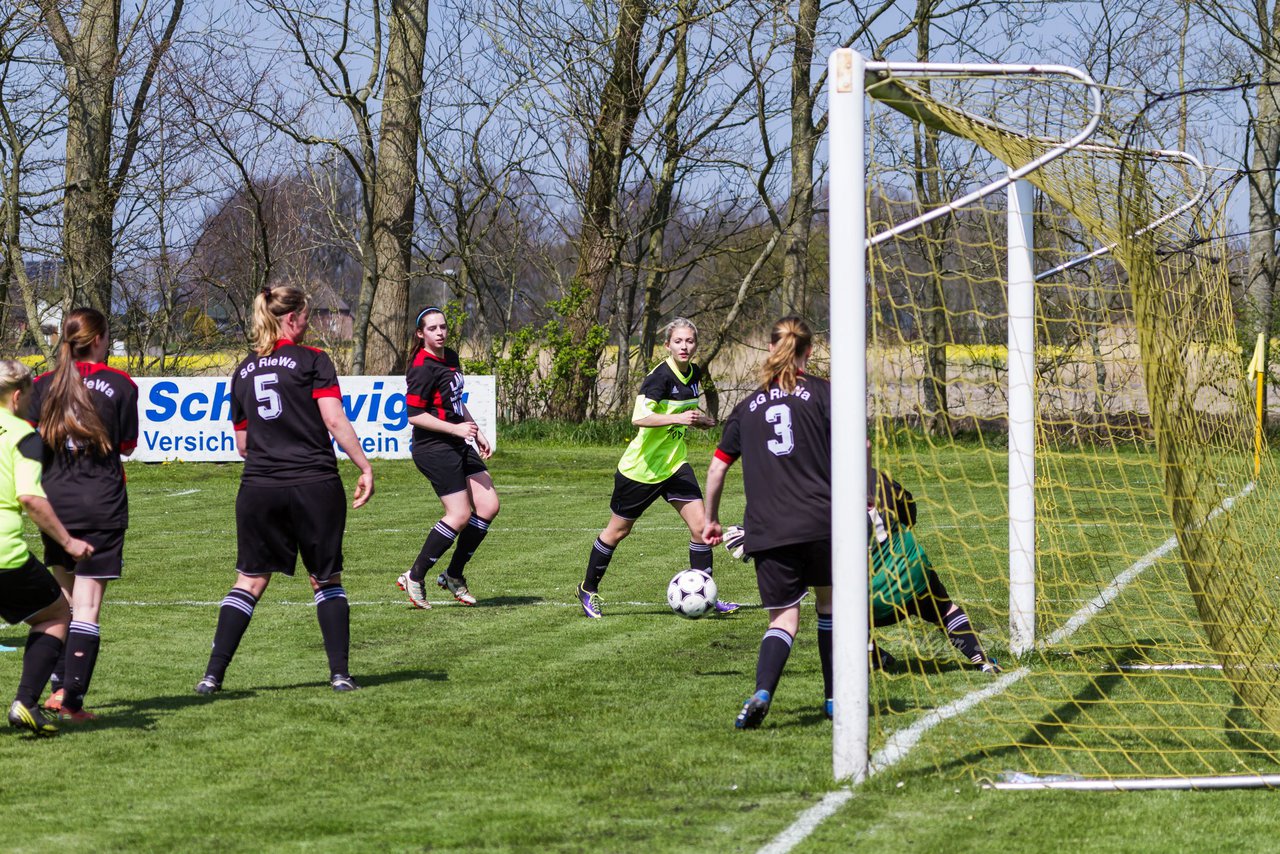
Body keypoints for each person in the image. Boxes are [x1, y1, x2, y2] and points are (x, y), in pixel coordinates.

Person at [706, 316, 998, 729]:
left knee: (783, 620)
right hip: (820, 523)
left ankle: (763, 690)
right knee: (829, 610)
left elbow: (717, 469)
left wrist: (712, 520)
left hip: (766, 529)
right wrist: (865, 491)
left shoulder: (745, 407)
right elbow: (859, 443)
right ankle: (832, 698)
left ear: (771, 349)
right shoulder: (824, 393)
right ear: (809, 351)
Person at [194, 285, 374, 695]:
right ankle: (340, 675)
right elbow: (334, 421)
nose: (309, 323)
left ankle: (212, 676)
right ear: (291, 318)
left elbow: (242, 445)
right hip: (314, 484)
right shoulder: (314, 360)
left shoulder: (241, 371)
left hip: (259, 487)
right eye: (306, 316)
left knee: (250, 581)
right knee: (325, 580)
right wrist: (363, 464)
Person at [576, 317, 737, 619]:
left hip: (674, 464)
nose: (684, 346)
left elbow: (681, 412)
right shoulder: (659, 377)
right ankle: (588, 589)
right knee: (618, 531)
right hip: (642, 470)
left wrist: (698, 421)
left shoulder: (693, 374)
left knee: (702, 530)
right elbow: (640, 418)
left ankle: (708, 596)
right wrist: (679, 419)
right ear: (668, 345)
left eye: (689, 341)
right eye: (678, 341)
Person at [26, 308, 138, 721]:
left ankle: (57, 688)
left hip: (55, 505)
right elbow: (126, 444)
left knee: (66, 604)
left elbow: (29, 443)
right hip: (101, 504)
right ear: (97, 340)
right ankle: (71, 701)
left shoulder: (43, 384)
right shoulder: (119, 383)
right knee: (88, 608)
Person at [0, 360, 93, 736]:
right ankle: (25, 702)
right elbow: (31, 499)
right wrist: (68, 541)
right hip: (4, 555)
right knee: (55, 613)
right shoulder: (23, 435)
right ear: (19, 395)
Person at [395, 306, 499, 608]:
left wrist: (475, 431)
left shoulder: (450, 357)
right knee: (459, 515)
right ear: (420, 333)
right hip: (433, 448)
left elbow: (455, 401)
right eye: (432, 329)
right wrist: (456, 429)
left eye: (443, 327)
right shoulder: (421, 367)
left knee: (489, 505)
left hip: (456, 441)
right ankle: (414, 576)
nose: (440, 332)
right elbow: (414, 415)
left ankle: (453, 575)